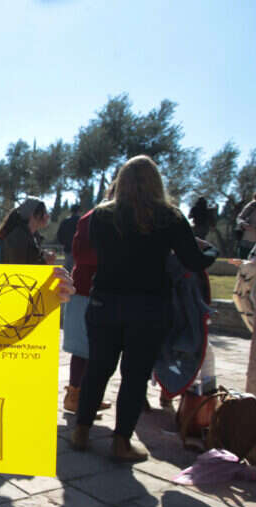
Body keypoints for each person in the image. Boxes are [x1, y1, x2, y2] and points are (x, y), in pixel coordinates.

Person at [71, 156, 216, 462]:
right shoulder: (169, 217)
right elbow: (193, 261)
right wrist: (211, 250)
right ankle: (121, 442)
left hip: (104, 302)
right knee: (134, 375)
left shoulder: (101, 216)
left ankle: (81, 431)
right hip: (148, 307)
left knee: (97, 367)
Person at [61, 205, 111, 414]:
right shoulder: (92, 219)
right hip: (85, 291)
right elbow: (81, 254)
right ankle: (74, 396)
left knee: (96, 350)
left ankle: (89, 396)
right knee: (82, 348)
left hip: (101, 291)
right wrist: (112, 256)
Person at [0, 197, 55, 265]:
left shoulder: (32, 236)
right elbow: (19, 268)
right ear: (33, 214)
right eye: (44, 212)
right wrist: (45, 261)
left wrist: (43, 256)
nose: (48, 216)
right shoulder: (18, 237)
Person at [236, 185, 256, 258]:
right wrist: (243, 224)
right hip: (245, 240)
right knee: (243, 260)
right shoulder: (252, 205)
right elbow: (239, 218)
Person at [55, 202, 80, 270]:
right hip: (79, 248)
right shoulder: (81, 221)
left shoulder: (65, 221)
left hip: (68, 248)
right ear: (78, 211)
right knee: (78, 268)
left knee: (68, 268)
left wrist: (64, 243)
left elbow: (59, 234)